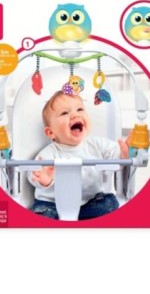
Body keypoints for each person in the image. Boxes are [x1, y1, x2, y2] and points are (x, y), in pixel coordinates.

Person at [28, 91, 130, 220]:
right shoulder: (49, 153)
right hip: (53, 204)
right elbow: (33, 173)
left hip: (90, 202)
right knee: (42, 213)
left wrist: (123, 154)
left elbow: (115, 157)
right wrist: (44, 179)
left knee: (109, 202)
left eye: (80, 109)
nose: (75, 115)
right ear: (50, 133)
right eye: (65, 113)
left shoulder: (96, 144)